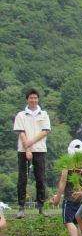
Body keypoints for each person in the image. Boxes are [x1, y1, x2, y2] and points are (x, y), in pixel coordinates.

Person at [13, 89, 51, 218]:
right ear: (27, 99)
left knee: (40, 178)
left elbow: (45, 131)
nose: (33, 100)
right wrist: (27, 148)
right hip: (23, 150)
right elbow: (21, 132)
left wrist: (32, 142)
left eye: (35, 98)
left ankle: (41, 207)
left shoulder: (43, 114)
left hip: (39, 149)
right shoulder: (21, 115)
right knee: (22, 179)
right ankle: (21, 207)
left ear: (38, 99)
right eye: (31, 98)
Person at [51, 140, 82, 236]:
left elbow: (63, 180)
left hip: (70, 197)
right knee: (79, 220)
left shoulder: (67, 163)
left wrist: (58, 197)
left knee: (68, 221)